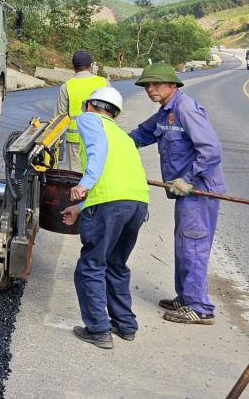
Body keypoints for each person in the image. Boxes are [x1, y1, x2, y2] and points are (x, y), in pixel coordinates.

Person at [129, 62, 226, 325]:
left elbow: (211, 150)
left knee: (193, 244)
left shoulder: (185, 109)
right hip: (186, 192)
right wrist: (113, 141)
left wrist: (189, 179)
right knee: (184, 244)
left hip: (199, 190)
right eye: (147, 85)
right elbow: (141, 134)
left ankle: (200, 307)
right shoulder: (165, 112)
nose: (151, 89)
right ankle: (185, 297)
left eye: (156, 84)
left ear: (173, 85)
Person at [61, 87, 151, 349]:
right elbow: (116, 176)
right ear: (116, 114)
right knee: (116, 264)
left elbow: (96, 149)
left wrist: (85, 184)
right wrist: (80, 208)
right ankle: (125, 325)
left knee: (91, 265)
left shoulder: (89, 119)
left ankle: (98, 329)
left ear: (90, 105)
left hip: (110, 205)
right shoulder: (121, 135)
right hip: (137, 204)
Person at [57, 50, 110, 172]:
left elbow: (60, 119)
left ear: (73, 67)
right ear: (91, 66)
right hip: (99, 138)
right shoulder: (104, 83)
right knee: (98, 174)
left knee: (76, 178)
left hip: (75, 141)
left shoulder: (66, 86)